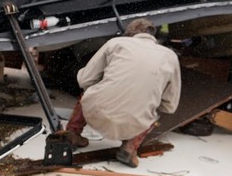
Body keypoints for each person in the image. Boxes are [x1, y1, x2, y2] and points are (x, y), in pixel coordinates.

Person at [65, 18, 181, 167]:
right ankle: (129, 148)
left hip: (96, 113)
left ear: (128, 33)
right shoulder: (170, 56)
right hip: (136, 123)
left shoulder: (116, 43)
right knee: (154, 110)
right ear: (153, 35)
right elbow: (170, 106)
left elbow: (85, 80)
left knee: (88, 92)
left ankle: (72, 134)